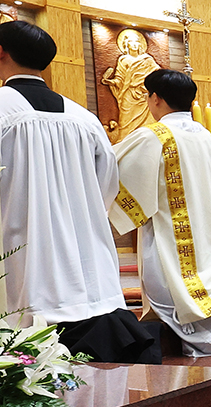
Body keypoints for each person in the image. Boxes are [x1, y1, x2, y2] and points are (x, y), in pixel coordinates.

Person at [0, 20, 158, 362]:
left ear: (1, 53)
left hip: (26, 257)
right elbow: (106, 186)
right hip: (89, 265)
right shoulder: (84, 117)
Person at [110, 69, 211, 356]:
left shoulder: (153, 136)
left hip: (171, 242)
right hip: (210, 237)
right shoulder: (210, 140)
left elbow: (111, 169)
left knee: (182, 293)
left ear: (156, 98)